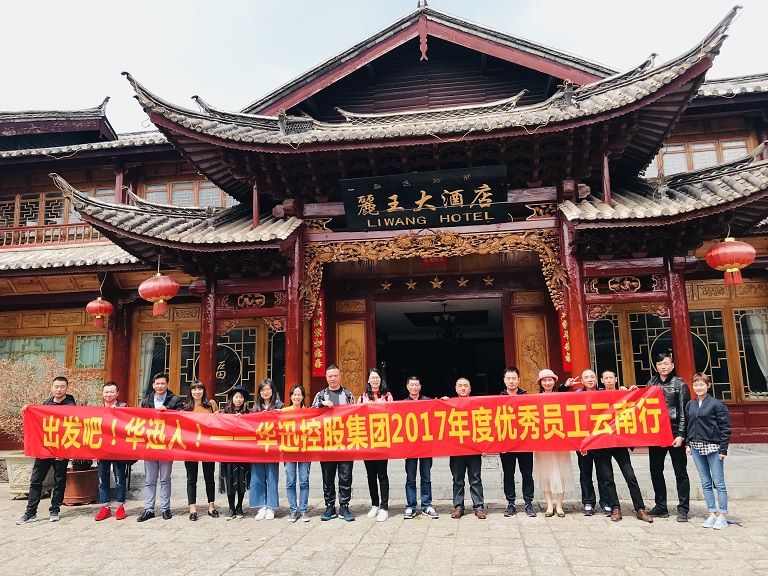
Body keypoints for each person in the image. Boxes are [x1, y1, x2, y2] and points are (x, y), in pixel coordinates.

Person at [638, 350, 691, 522]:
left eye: (666, 363)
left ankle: (683, 508)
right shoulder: (651, 383)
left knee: (680, 472)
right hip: (657, 434)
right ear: (656, 366)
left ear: (672, 365)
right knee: (655, 471)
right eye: (660, 364)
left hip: (674, 433)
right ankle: (661, 506)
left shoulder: (680, 385)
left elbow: (684, 413)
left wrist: (681, 435)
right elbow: (644, 406)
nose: (663, 366)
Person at [16, 376, 76, 525]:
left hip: (61, 450)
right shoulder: (46, 403)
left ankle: (55, 510)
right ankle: (30, 512)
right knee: (36, 480)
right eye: (56, 386)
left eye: (62, 387)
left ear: (66, 388)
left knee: (59, 480)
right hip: (45, 449)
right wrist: (29, 409)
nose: (59, 389)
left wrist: (64, 451)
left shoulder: (71, 404)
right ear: (51, 388)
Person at [599, 370, 653, 523]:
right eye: (606, 378)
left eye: (611, 377)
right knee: (608, 478)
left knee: (630, 476)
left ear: (616, 379)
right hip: (602, 442)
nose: (609, 380)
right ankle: (615, 508)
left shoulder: (624, 394)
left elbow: (637, 406)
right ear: (602, 381)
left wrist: (633, 392)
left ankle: (640, 509)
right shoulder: (597, 396)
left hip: (619, 442)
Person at [565, 369, 613, 517]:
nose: (590, 379)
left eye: (592, 377)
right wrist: (580, 442)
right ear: (582, 381)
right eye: (586, 377)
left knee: (603, 474)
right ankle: (588, 502)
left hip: (601, 440)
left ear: (597, 379)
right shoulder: (577, 395)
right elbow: (569, 414)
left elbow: (619, 399)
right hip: (583, 442)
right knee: (585, 474)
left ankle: (605, 502)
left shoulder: (604, 393)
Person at [686, 372, 731, 530]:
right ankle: (712, 513)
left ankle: (722, 515)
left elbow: (725, 428)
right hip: (696, 446)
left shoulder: (717, 404)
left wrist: (723, 449)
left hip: (713, 446)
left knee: (719, 482)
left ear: (708, 385)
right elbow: (689, 425)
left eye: (701, 384)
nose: (698, 387)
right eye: (696, 384)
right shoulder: (690, 404)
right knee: (705, 481)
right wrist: (688, 443)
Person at [137, 372, 184, 522]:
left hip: (166, 444)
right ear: (153, 385)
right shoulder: (146, 401)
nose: (160, 386)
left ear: (167, 384)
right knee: (150, 480)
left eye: (163, 383)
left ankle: (165, 508)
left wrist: (168, 411)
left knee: (165, 478)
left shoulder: (175, 400)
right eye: (157, 383)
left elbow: (181, 418)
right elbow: (140, 420)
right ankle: (148, 509)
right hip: (150, 444)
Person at [312, 363, 356, 522]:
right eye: (330, 376)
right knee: (327, 477)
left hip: (345, 443)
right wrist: (321, 405)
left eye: (335, 375)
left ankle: (344, 506)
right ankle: (329, 506)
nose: (333, 378)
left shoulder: (348, 395)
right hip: (327, 444)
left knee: (345, 477)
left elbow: (356, 415)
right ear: (326, 377)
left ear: (340, 376)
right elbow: (311, 415)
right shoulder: (320, 395)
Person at [533, 369, 573, 518]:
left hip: (560, 440)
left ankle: (559, 505)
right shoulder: (535, 399)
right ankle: (549, 505)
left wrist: (566, 386)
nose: (547, 383)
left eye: (550, 380)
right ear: (540, 383)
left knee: (562, 472)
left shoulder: (561, 396)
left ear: (554, 381)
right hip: (543, 442)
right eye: (544, 380)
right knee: (546, 474)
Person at [499, 367, 536, 517]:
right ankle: (511, 503)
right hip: (506, 443)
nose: (511, 381)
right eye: (508, 378)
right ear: (504, 380)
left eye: (514, 378)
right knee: (508, 474)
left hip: (525, 443)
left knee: (527, 474)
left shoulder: (526, 397)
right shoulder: (498, 399)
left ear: (519, 380)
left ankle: (528, 502)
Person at [447, 377, 486, 519]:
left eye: (465, 386)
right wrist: (442, 402)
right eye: (460, 386)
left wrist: (484, 446)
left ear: (470, 389)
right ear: (455, 389)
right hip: (456, 449)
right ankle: (458, 507)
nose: (463, 388)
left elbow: (483, 424)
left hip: (473, 448)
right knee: (458, 479)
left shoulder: (477, 404)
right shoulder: (449, 404)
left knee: (475, 479)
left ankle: (479, 507)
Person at [359, 367, 393, 522]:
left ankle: (384, 507)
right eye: (372, 377)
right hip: (367, 441)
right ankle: (375, 504)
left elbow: (392, 415)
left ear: (381, 380)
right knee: (370, 474)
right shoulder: (362, 397)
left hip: (381, 440)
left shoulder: (387, 396)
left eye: (377, 377)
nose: (375, 380)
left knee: (382, 474)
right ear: (368, 380)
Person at [402, 376, 438, 519]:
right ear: (407, 387)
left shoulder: (428, 401)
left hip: (426, 446)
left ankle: (426, 505)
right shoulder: (402, 404)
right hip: (410, 447)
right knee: (410, 478)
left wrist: (444, 401)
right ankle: (411, 506)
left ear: (420, 386)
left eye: (416, 385)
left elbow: (439, 410)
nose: (414, 387)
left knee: (426, 477)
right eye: (412, 385)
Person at [183, 381, 219, 521]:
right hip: (191, 447)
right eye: (194, 389)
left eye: (200, 389)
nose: (197, 392)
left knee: (209, 477)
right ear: (190, 392)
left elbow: (218, 422)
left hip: (208, 446)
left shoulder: (211, 404)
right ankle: (192, 508)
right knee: (191, 478)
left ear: (204, 391)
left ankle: (211, 506)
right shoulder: (186, 407)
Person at [94, 381, 129, 522]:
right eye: (106, 392)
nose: (108, 394)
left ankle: (120, 506)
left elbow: (129, 424)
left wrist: (119, 412)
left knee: (120, 478)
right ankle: (105, 507)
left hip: (118, 449)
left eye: (112, 392)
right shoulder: (97, 410)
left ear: (117, 393)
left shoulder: (124, 406)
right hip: (102, 448)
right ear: (102, 393)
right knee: (102, 479)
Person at [250, 378, 283, 520]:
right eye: (262, 390)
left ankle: (271, 506)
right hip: (258, 447)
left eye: (268, 389)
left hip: (273, 447)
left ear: (272, 390)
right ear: (259, 393)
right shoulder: (255, 408)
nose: (265, 392)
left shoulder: (279, 406)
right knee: (257, 477)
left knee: (272, 476)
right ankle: (261, 505)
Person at [220, 385, 251, 519]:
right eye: (236, 397)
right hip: (228, 452)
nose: (238, 399)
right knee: (230, 479)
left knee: (241, 480)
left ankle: (239, 506)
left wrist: (243, 419)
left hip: (243, 452)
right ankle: (231, 507)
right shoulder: (224, 413)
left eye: (241, 397)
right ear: (231, 398)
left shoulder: (249, 414)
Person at [283, 383, 311, 522]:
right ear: (290, 396)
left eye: (299, 394)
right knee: (290, 482)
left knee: (304, 481)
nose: (297, 397)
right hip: (289, 451)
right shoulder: (284, 412)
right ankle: (293, 510)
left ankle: (303, 509)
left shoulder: (309, 412)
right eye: (294, 394)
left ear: (303, 396)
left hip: (305, 451)